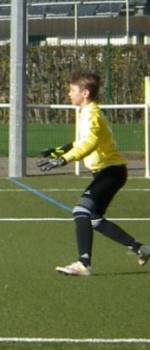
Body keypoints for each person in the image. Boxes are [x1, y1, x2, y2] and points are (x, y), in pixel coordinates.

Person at [37, 71, 150, 276]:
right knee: (95, 219)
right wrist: (57, 151)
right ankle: (140, 249)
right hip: (107, 172)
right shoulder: (88, 113)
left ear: (85, 93)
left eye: (72, 90)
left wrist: (63, 160)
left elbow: (90, 143)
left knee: (81, 212)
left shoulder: (92, 114)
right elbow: (80, 141)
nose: (69, 94)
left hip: (111, 171)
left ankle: (84, 264)